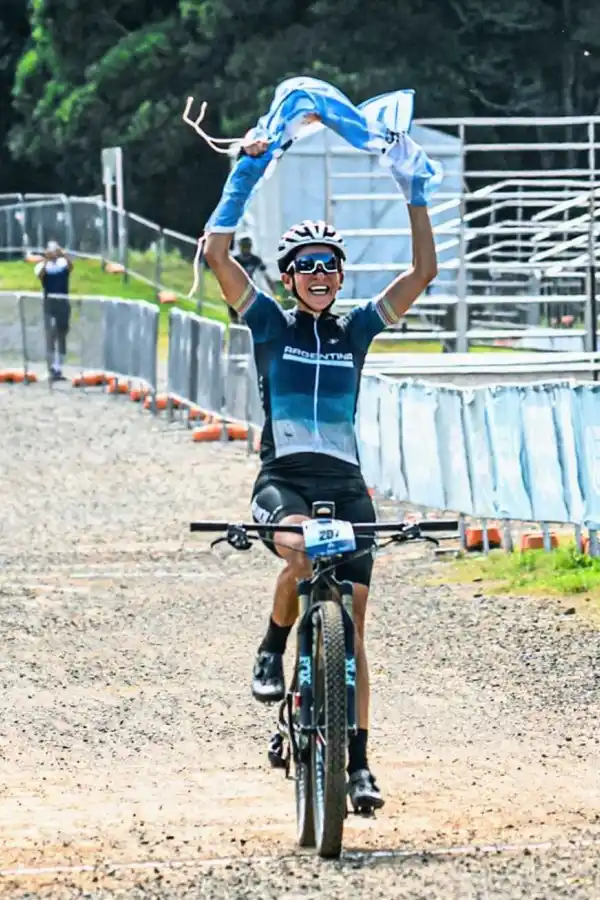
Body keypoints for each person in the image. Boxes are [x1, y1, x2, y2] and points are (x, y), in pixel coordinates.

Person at [203, 133, 438, 814]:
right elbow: (215, 254)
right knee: (303, 551)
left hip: (346, 486)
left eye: (329, 264)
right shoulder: (270, 325)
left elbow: (422, 273)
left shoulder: (354, 331)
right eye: (306, 264)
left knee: (355, 626)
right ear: (287, 275)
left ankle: (358, 762)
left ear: (340, 274)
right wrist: (244, 174)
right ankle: (272, 646)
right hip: (285, 480)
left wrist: (414, 192)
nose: (319, 273)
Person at [35, 241, 74, 381]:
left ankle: (59, 367)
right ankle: (50, 367)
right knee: (50, 334)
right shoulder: (42, 265)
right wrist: (46, 259)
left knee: (62, 333)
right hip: (49, 304)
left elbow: (70, 267)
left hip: (63, 302)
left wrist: (63, 254)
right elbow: (41, 275)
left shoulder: (63, 263)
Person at [228, 236, 279, 324]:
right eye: (244, 247)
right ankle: (235, 325)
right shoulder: (235, 260)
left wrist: (272, 287)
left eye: (248, 247)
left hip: (248, 289)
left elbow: (265, 275)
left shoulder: (255, 260)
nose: (246, 249)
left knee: (247, 314)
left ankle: (245, 325)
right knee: (234, 316)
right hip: (235, 288)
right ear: (240, 247)